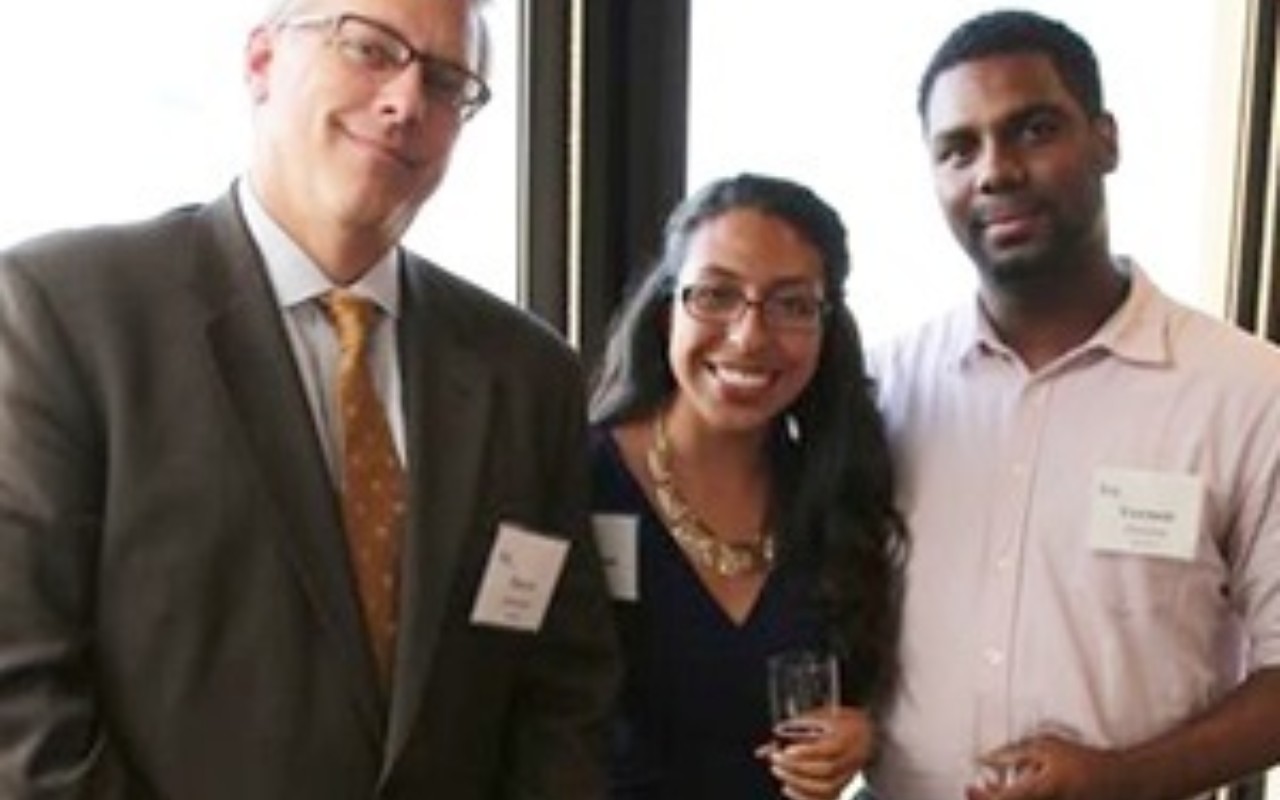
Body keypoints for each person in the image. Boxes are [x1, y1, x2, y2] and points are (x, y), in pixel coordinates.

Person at [0, 0, 619, 797]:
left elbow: (563, 695)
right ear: (261, 61)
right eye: (368, 49)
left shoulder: (528, 374)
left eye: (444, 80)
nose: (404, 102)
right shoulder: (68, 312)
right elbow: (22, 698)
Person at [864, 9, 1280, 800]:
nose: (995, 171)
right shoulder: (885, 391)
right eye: (958, 149)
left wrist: (1123, 779)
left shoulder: (1251, 394)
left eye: (1033, 129)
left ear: (1107, 140)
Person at [589, 173, 907, 800]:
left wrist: (861, 734)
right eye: (716, 295)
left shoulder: (835, 496)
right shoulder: (574, 480)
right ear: (665, 309)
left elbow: (869, 693)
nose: (749, 336)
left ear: (827, 327)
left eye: (791, 305)